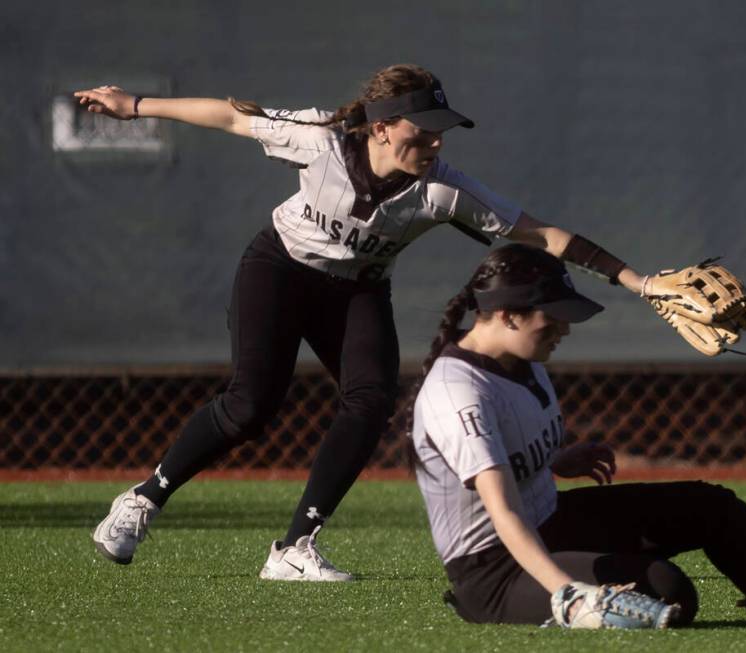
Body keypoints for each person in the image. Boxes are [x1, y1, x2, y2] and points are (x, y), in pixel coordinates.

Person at [78, 64, 683, 581]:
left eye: (443, 133)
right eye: (425, 131)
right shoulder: (321, 138)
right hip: (280, 268)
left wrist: (642, 281)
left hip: (357, 289)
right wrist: (135, 106)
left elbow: (542, 234)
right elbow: (233, 116)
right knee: (251, 405)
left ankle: (293, 549)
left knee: (370, 400)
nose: (438, 145)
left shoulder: (443, 191)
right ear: (383, 126)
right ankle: (142, 500)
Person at [409, 243, 746, 626]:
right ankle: (559, 606)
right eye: (553, 316)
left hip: (550, 522)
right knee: (670, 594)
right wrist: (568, 593)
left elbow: (508, 460)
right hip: (496, 571)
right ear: (506, 315)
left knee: (716, 508)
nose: (564, 328)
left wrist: (555, 462)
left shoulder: (521, 359)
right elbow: (504, 512)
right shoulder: (457, 392)